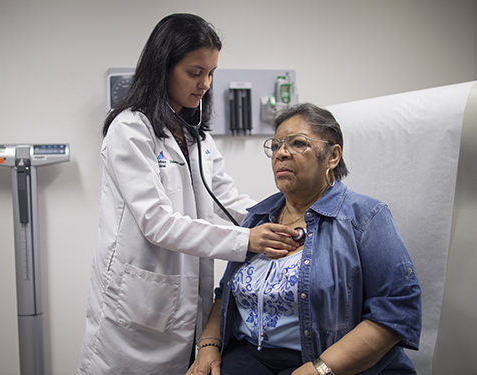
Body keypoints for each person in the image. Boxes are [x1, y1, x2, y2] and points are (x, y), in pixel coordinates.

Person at [78, 13, 300, 374]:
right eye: (195, 73)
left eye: (211, 73)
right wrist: (247, 240)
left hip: (182, 304)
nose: (205, 84)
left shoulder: (197, 136)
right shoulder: (130, 130)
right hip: (136, 305)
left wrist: (285, 219)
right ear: (163, 67)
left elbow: (227, 200)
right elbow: (157, 222)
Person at [187, 103, 422, 375]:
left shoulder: (366, 217)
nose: (281, 154)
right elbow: (226, 293)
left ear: (333, 156)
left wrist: (320, 369)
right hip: (252, 356)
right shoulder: (259, 217)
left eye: (298, 143)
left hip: (329, 361)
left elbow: (395, 311)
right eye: (275, 146)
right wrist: (208, 346)